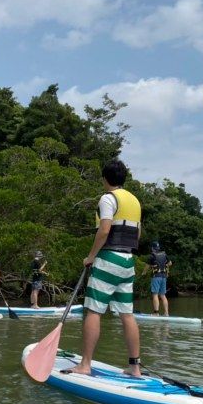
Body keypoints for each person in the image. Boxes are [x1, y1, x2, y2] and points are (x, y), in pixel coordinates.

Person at [66, 159, 142, 377]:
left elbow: (104, 230)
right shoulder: (135, 201)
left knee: (93, 311)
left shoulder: (108, 198)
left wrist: (91, 257)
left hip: (109, 258)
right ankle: (135, 368)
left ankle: (85, 365)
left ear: (105, 178)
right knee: (127, 315)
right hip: (128, 262)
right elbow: (137, 234)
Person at [145, 241, 172, 316]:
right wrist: (164, 266)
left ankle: (156, 313)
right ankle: (166, 313)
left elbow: (147, 267)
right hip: (164, 277)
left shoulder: (152, 256)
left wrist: (143, 273)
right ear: (158, 247)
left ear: (152, 248)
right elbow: (170, 263)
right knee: (163, 295)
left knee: (155, 294)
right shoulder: (164, 254)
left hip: (156, 277)